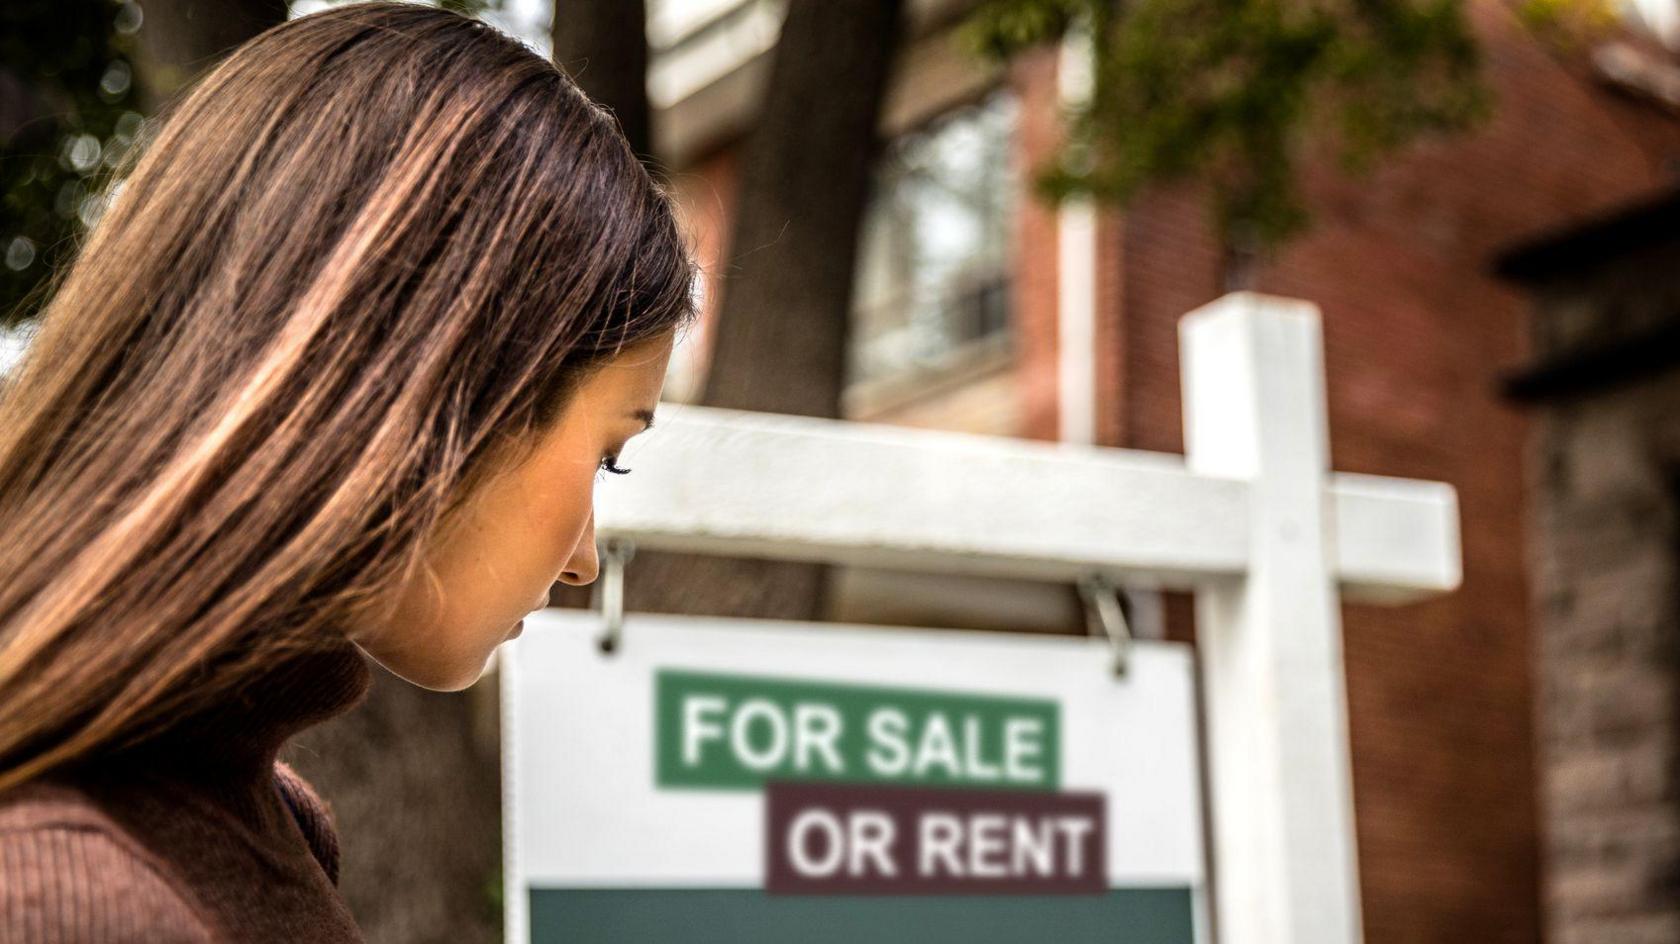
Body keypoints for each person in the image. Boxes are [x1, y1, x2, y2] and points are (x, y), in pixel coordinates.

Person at [0, 3, 696, 940]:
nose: (584, 562)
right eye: (608, 455)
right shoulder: (73, 895)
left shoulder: (265, 815)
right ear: (448, 396)